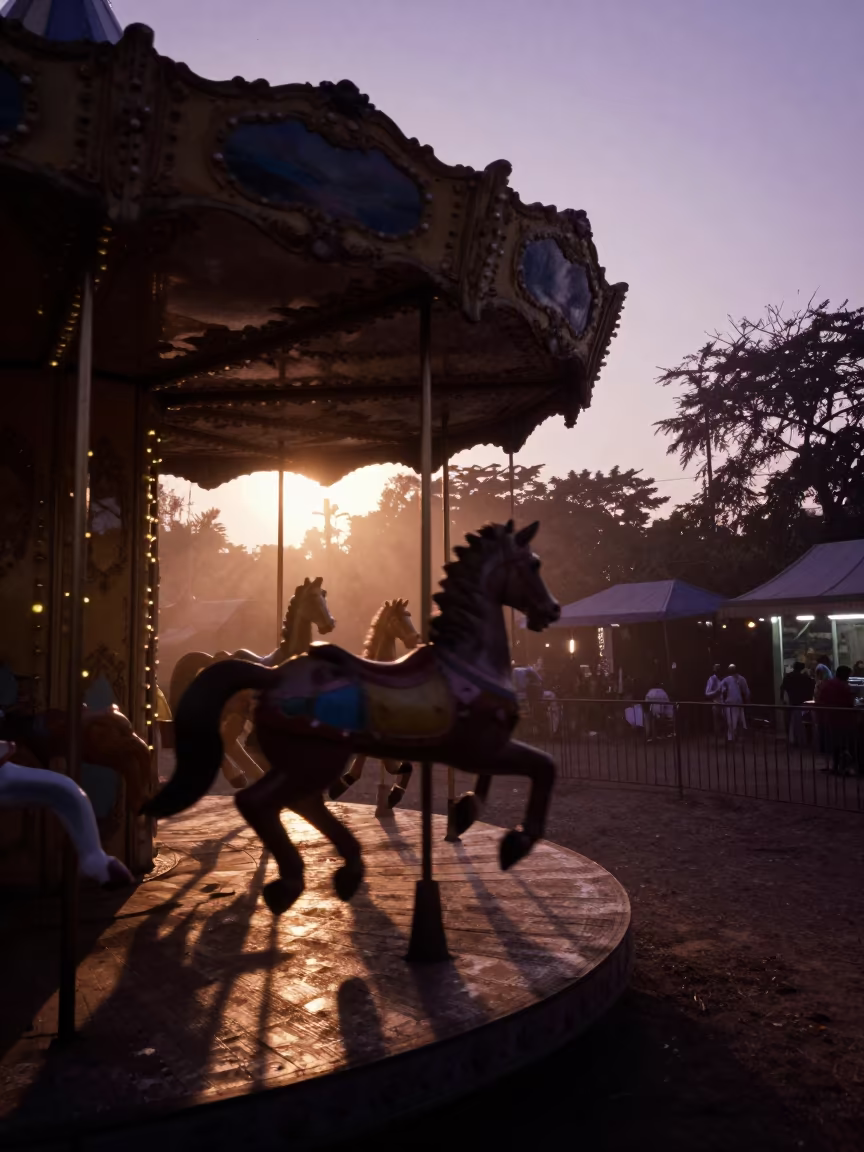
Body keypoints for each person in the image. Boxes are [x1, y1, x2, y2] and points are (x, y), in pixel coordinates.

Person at [816, 665, 858, 774]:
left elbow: (820, 698)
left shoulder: (828, 684)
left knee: (835, 742)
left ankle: (836, 766)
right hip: (841, 719)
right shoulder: (843, 686)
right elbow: (849, 703)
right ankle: (842, 766)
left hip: (828, 717)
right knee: (842, 742)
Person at [780, 661, 813, 746]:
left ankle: (791, 739)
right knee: (801, 723)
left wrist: (782, 700)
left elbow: (782, 688)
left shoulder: (788, 676)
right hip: (802, 703)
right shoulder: (805, 677)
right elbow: (810, 688)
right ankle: (802, 739)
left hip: (791, 702)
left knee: (790, 722)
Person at [720, 664, 750, 742]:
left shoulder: (741, 679)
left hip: (738, 703)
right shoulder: (726, 680)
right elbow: (721, 690)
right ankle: (731, 738)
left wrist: (747, 700)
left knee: (740, 721)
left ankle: (738, 737)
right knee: (730, 722)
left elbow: (746, 691)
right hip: (729, 704)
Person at [705, 663, 724, 735]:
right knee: (717, 725)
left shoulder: (724, 679)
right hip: (716, 704)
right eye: (717, 669)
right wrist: (716, 692)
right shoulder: (712, 679)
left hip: (726, 704)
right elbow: (707, 693)